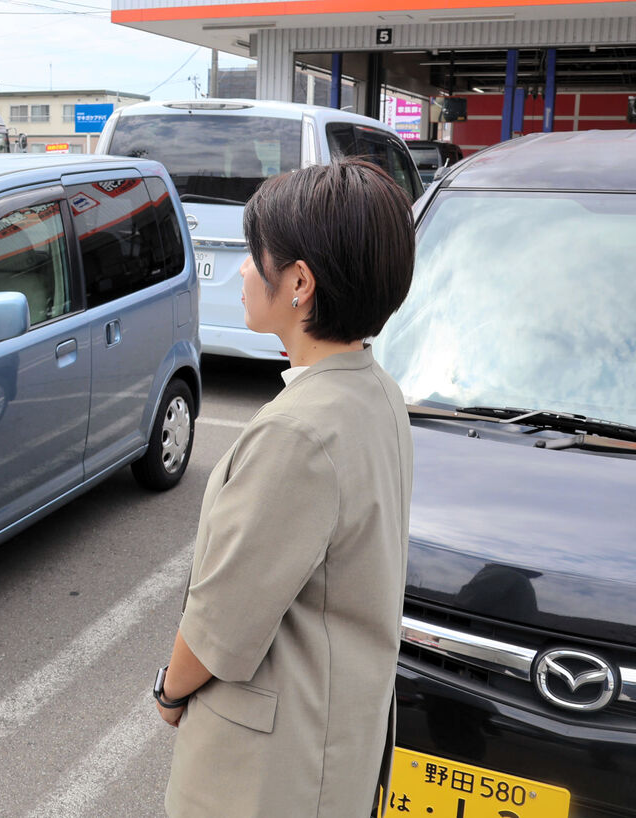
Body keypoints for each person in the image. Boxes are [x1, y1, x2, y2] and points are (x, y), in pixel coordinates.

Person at [153, 159, 415, 816]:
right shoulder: (376, 392)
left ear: (298, 282)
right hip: (333, 742)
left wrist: (168, 690)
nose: (243, 270)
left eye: (253, 255)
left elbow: (220, 626)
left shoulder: (297, 433)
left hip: (270, 773)